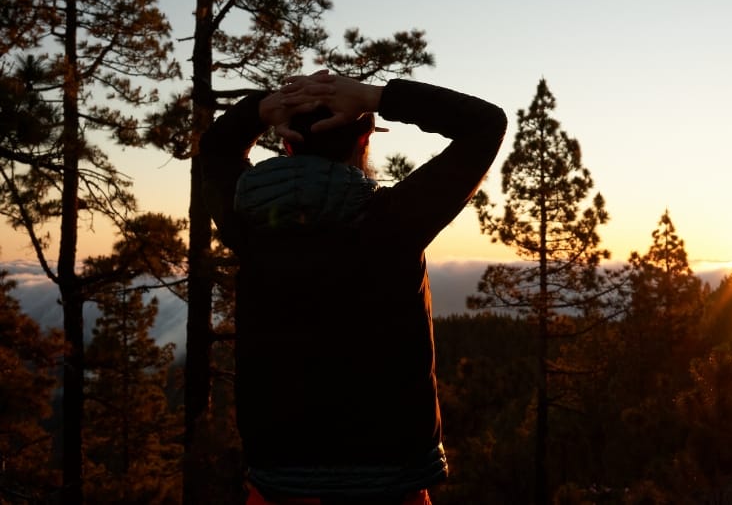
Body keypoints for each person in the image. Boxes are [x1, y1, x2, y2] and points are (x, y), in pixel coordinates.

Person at [199, 71, 507, 505]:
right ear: (364, 142)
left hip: (280, 479)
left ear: (286, 143)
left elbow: (215, 148)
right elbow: (485, 124)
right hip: (392, 481)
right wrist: (377, 96)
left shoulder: (248, 222)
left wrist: (261, 109)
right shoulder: (394, 221)